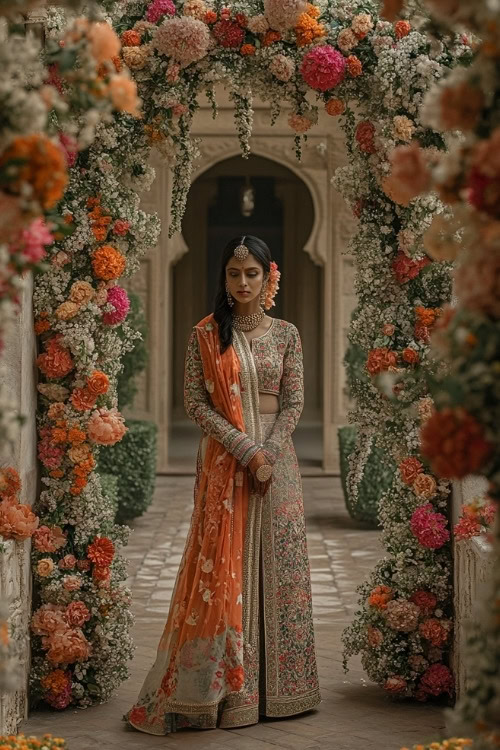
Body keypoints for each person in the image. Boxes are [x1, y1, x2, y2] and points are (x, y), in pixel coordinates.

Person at [126, 235, 320, 734]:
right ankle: (229, 695)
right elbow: (196, 404)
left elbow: (294, 402)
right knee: (225, 573)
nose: (242, 282)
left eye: (251, 273)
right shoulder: (206, 336)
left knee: (280, 569)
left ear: (268, 276)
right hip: (227, 464)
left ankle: (283, 692)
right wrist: (246, 451)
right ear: (224, 279)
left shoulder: (287, 335)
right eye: (234, 274)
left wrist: (269, 453)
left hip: (279, 468)